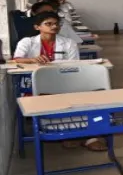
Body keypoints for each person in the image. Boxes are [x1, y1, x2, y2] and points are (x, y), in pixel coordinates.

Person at [14, 12, 108, 152]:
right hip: (35, 83)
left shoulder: (68, 43)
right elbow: (17, 59)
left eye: (56, 24)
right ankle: (67, 134)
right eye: (48, 24)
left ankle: (90, 136)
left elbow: (74, 66)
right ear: (37, 27)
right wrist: (32, 59)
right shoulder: (27, 42)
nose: (54, 26)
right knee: (51, 100)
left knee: (87, 97)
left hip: (65, 80)